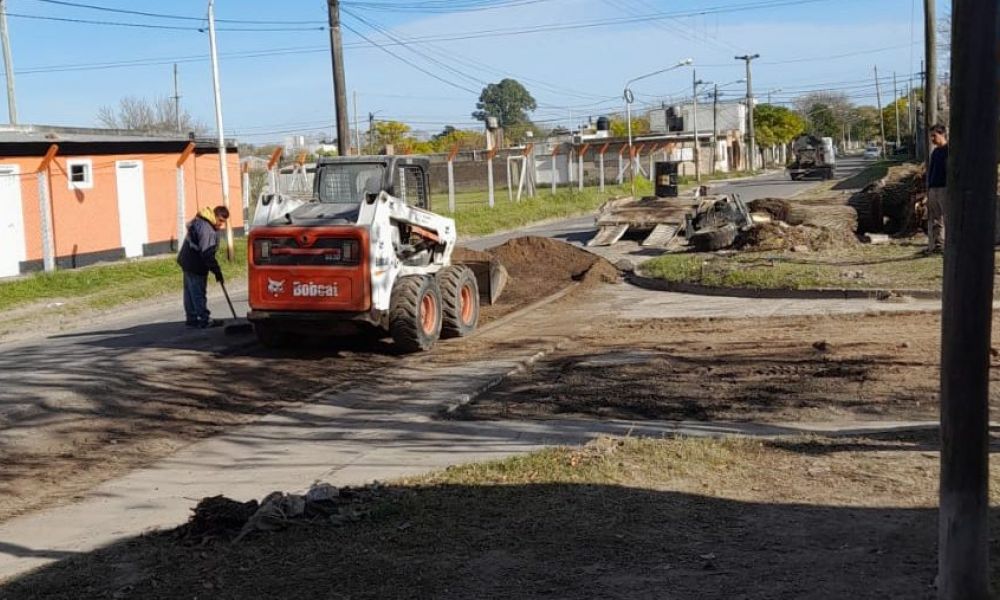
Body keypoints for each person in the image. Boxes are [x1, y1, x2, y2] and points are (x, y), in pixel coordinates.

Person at [177, 205, 229, 328]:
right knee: (197, 292)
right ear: (214, 216)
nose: (221, 224)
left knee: (190, 291)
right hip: (195, 264)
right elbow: (207, 254)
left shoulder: (201, 221)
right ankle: (204, 319)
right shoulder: (207, 230)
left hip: (186, 260)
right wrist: (217, 272)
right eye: (220, 220)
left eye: (224, 222)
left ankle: (192, 318)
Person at [926, 124, 949, 253]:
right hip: (933, 188)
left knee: (947, 217)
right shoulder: (935, 152)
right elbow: (931, 170)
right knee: (935, 218)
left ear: (942, 134)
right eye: (931, 136)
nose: (932, 139)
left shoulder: (949, 150)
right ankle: (937, 244)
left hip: (944, 188)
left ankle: (949, 244)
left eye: (934, 135)